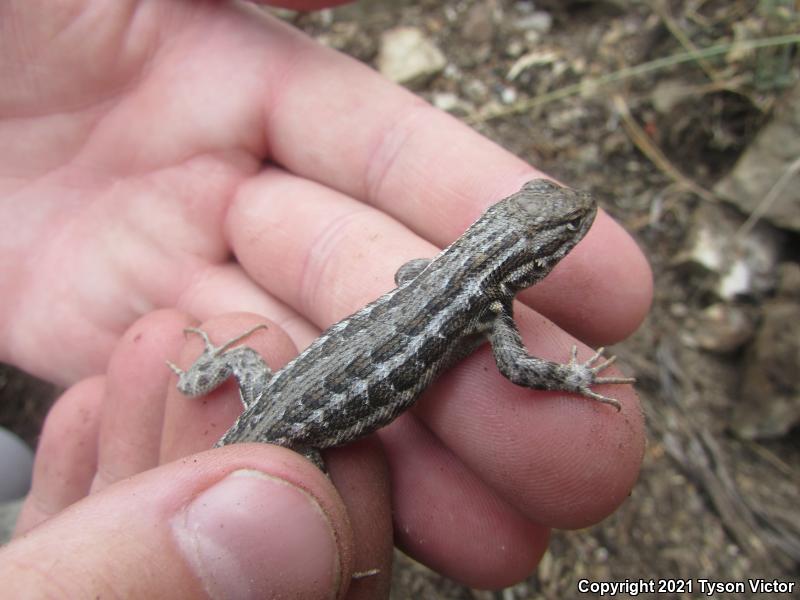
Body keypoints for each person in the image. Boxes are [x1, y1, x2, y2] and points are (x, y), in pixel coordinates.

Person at [0, 1, 652, 597]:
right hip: (296, 438)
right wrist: (567, 376)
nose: (573, 234)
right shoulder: (487, 307)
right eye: (564, 236)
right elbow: (512, 367)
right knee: (313, 511)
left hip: (278, 389)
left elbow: (406, 279)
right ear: (532, 261)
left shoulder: (450, 273)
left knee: (249, 366)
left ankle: (196, 373)